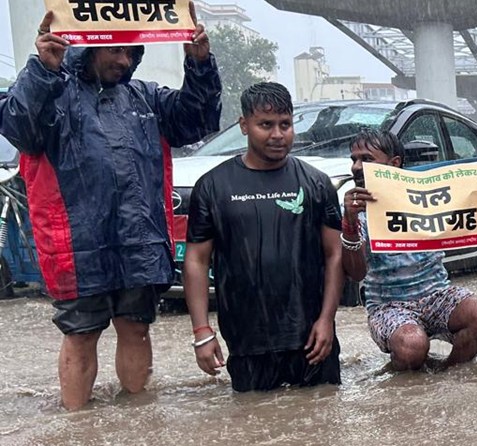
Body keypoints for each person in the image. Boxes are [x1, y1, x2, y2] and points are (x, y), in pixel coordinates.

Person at [0, 5, 221, 410]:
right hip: (76, 245)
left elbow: (196, 121)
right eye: (115, 50)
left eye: (131, 52)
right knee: (81, 333)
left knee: (136, 328)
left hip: (139, 239)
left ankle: (140, 419)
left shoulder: (146, 97)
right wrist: (44, 68)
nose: (124, 60)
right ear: (89, 45)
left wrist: (200, 64)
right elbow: (19, 128)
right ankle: (77, 424)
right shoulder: (50, 90)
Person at [183, 83, 342, 393]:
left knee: (323, 415)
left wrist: (327, 319)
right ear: (244, 125)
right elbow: (197, 261)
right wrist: (202, 331)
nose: (278, 134)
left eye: (285, 124)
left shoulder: (317, 183)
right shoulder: (213, 186)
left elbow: (334, 255)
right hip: (247, 342)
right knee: (252, 419)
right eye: (266, 125)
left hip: (312, 339)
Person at [340, 129, 477, 371]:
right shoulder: (356, 209)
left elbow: (474, 220)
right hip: (388, 306)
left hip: (437, 294)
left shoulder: (427, 191)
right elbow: (356, 274)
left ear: (394, 163)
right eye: (354, 159)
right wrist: (350, 223)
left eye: (366, 159)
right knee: (412, 345)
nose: (356, 167)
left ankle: (448, 374)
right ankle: (406, 370)